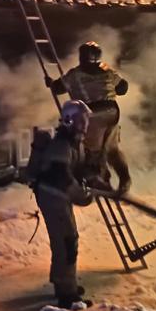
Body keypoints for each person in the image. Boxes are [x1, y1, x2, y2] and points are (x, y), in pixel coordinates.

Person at [28, 100, 94, 308]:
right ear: (69, 120)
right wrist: (83, 196)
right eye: (81, 120)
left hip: (59, 198)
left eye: (86, 119)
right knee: (66, 242)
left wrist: (96, 180)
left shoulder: (75, 143)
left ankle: (63, 283)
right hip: (52, 198)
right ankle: (67, 294)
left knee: (67, 239)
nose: (85, 124)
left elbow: (79, 170)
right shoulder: (61, 145)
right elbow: (63, 179)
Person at [45, 40, 132, 196]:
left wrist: (50, 83)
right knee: (112, 148)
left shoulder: (75, 73)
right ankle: (125, 179)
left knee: (92, 150)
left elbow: (58, 88)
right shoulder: (106, 69)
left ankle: (100, 181)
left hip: (92, 114)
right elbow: (123, 88)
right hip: (112, 112)